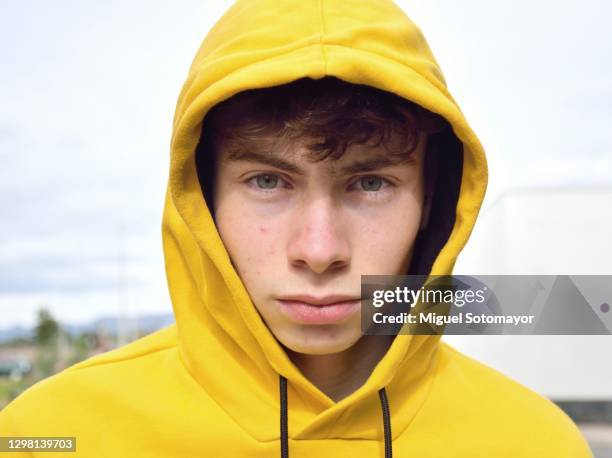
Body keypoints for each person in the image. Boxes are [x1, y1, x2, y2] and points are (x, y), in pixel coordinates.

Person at [0, 0, 593, 456]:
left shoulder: (536, 442)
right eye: (267, 182)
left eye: (370, 184)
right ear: (202, 199)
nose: (319, 250)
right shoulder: (52, 434)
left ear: (430, 201)